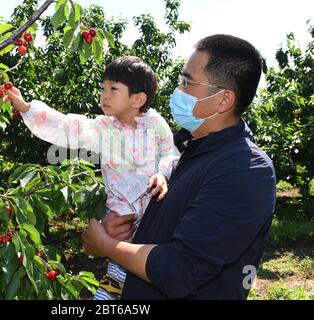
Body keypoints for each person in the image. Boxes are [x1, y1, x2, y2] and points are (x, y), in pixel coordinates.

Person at [82, 34, 277, 300]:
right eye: (179, 81)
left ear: (224, 100)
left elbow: (180, 270)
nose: (177, 91)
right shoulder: (181, 148)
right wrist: (117, 229)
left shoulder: (246, 169)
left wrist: (108, 245)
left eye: (187, 82)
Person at [3, 56, 181, 300]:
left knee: (151, 268)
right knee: (119, 266)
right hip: (122, 214)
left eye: (113, 89)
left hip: (155, 209)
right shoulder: (103, 128)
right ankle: (106, 295)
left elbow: (170, 152)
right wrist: (27, 108)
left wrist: (162, 173)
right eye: (102, 88)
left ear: (138, 99)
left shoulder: (154, 123)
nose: (104, 95)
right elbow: (67, 126)